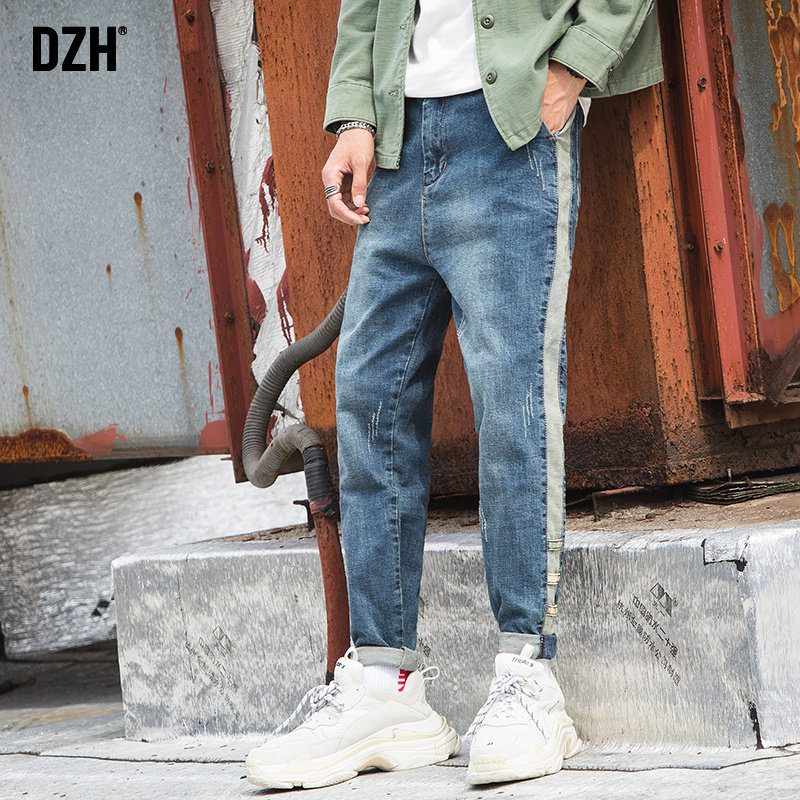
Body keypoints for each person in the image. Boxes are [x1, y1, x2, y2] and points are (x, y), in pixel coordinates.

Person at [246, 0, 663, 790]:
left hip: (510, 129)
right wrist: (354, 116)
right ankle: (386, 684)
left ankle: (528, 676)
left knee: (513, 403)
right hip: (398, 139)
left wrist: (574, 67)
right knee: (369, 397)